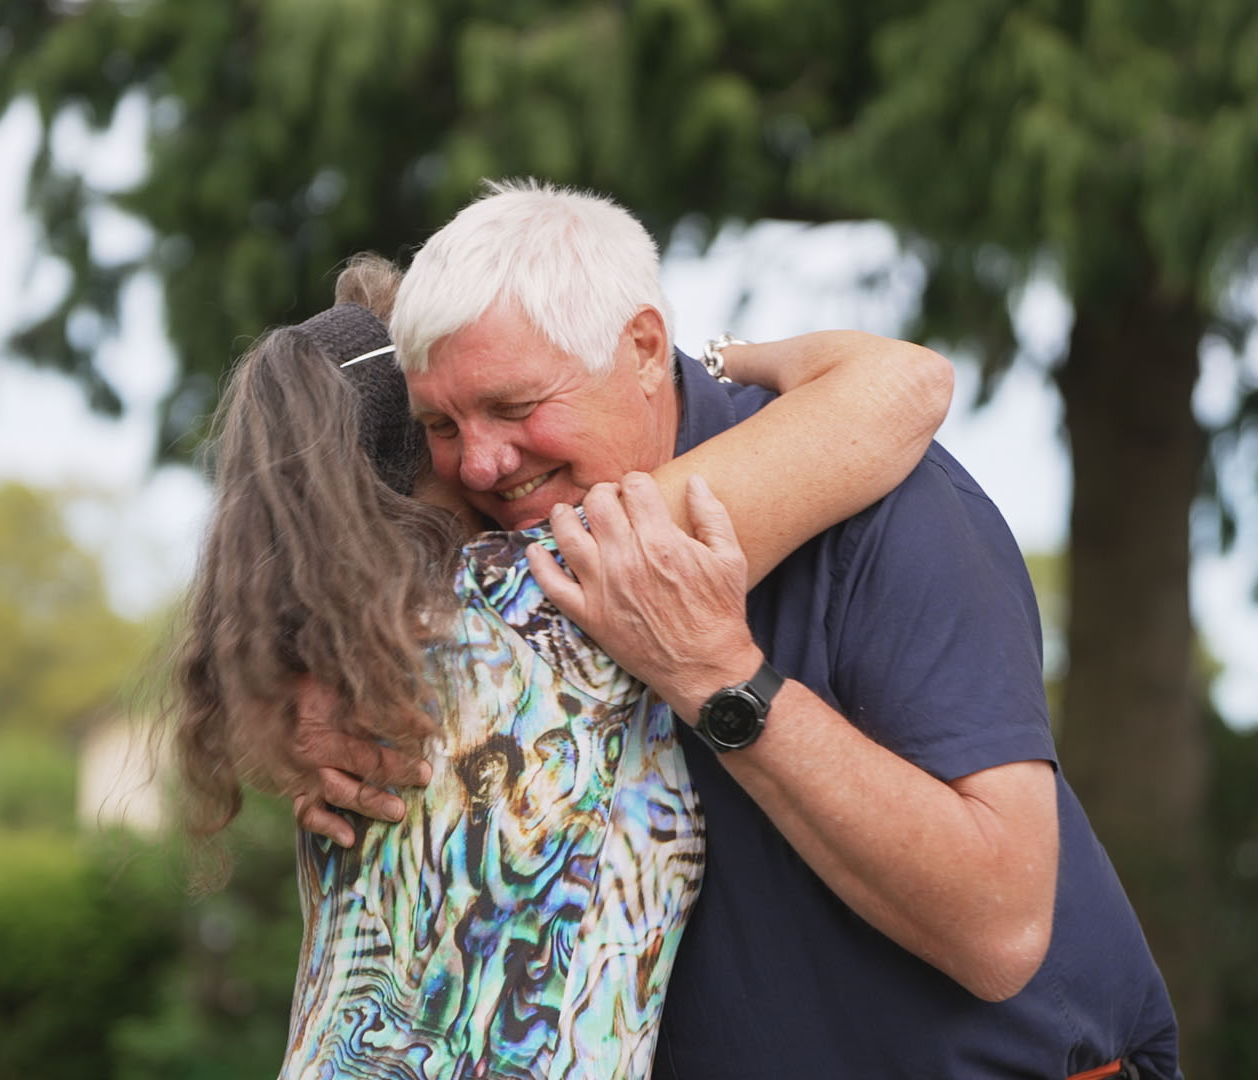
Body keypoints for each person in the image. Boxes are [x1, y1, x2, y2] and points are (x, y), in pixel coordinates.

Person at [302, 180, 1182, 1079]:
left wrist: (721, 680)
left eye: (517, 408)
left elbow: (1001, 928)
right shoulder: (494, 566)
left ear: (643, 349)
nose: (482, 460)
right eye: (442, 424)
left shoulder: (887, 505)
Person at [174, 254, 954, 1079]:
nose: (484, 458)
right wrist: (722, 358)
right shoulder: (545, 593)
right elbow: (903, 385)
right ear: (418, 446)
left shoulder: (342, 680)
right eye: (448, 420)